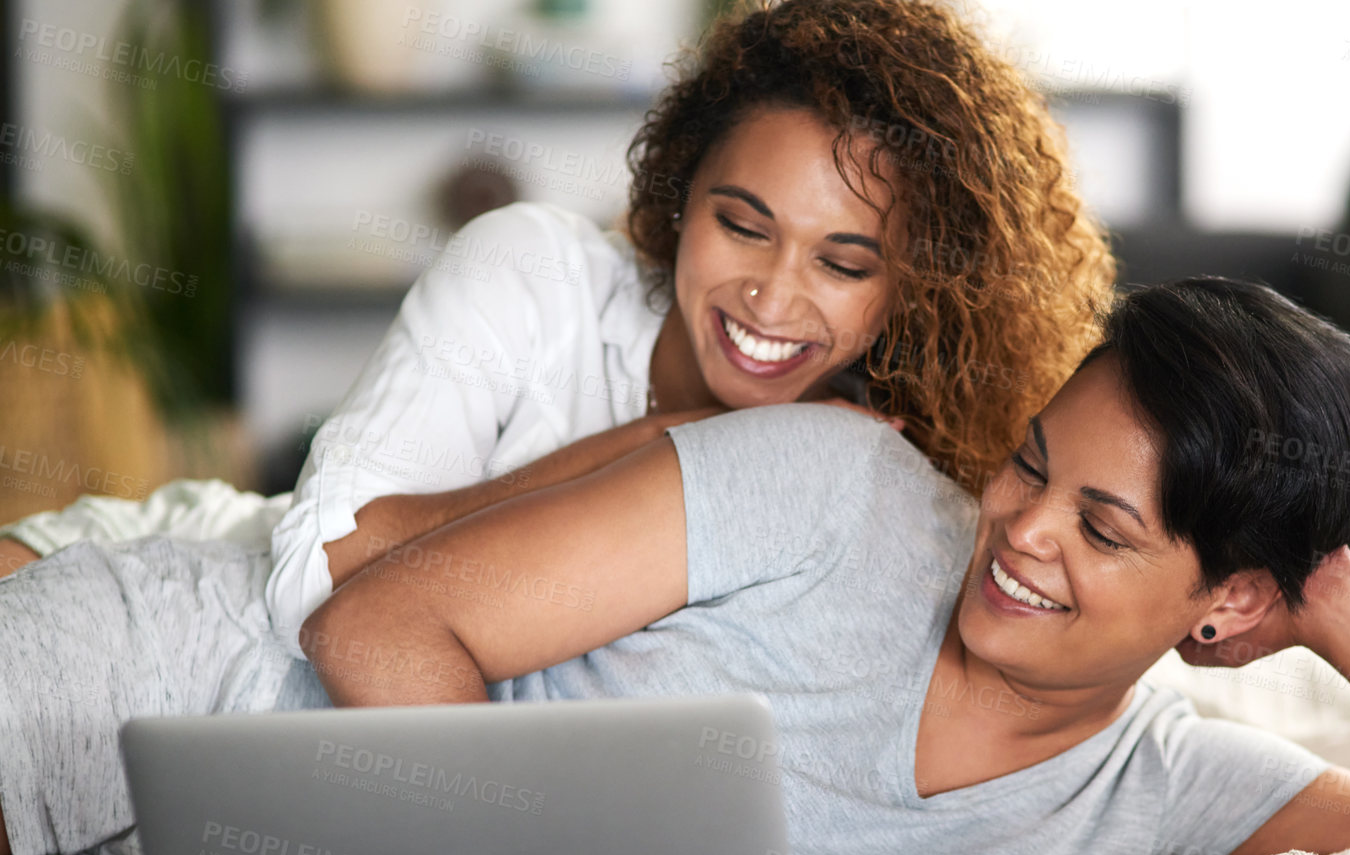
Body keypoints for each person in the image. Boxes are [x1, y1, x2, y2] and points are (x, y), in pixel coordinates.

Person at [0, 279, 1350, 855]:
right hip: (179, 672)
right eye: (1030, 466)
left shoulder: (1164, 792)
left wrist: (1344, 602)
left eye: (1104, 531)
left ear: (1227, 608)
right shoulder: (840, 491)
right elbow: (378, 624)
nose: (1017, 534)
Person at [0, 0, 1115, 658]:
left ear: (912, 287)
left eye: (845, 262)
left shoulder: (902, 460)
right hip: (201, 568)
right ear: (682, 197)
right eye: (742, 224)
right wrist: (651, 460)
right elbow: (316, 573)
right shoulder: (534, 270)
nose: (775, 298)